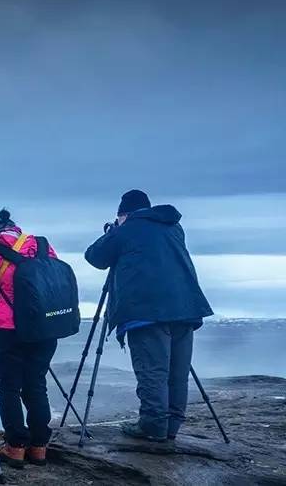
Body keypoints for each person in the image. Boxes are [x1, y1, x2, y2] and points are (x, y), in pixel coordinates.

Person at [85, 189, 213, 443]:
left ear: (124, 214)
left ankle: (153, 426)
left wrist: (114, 231)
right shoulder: (173, 227)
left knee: (152, 370)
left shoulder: (127, 229)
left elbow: (94, 256)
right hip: (186, 310)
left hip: (146, 312)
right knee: (177, 371)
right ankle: (172, 425)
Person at [0, 209, 59, 468]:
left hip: (7, 328)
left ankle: (15, 446)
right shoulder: (43, 245)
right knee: (36, 385)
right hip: (44, 328)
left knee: (9, 388)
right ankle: (39, 446)